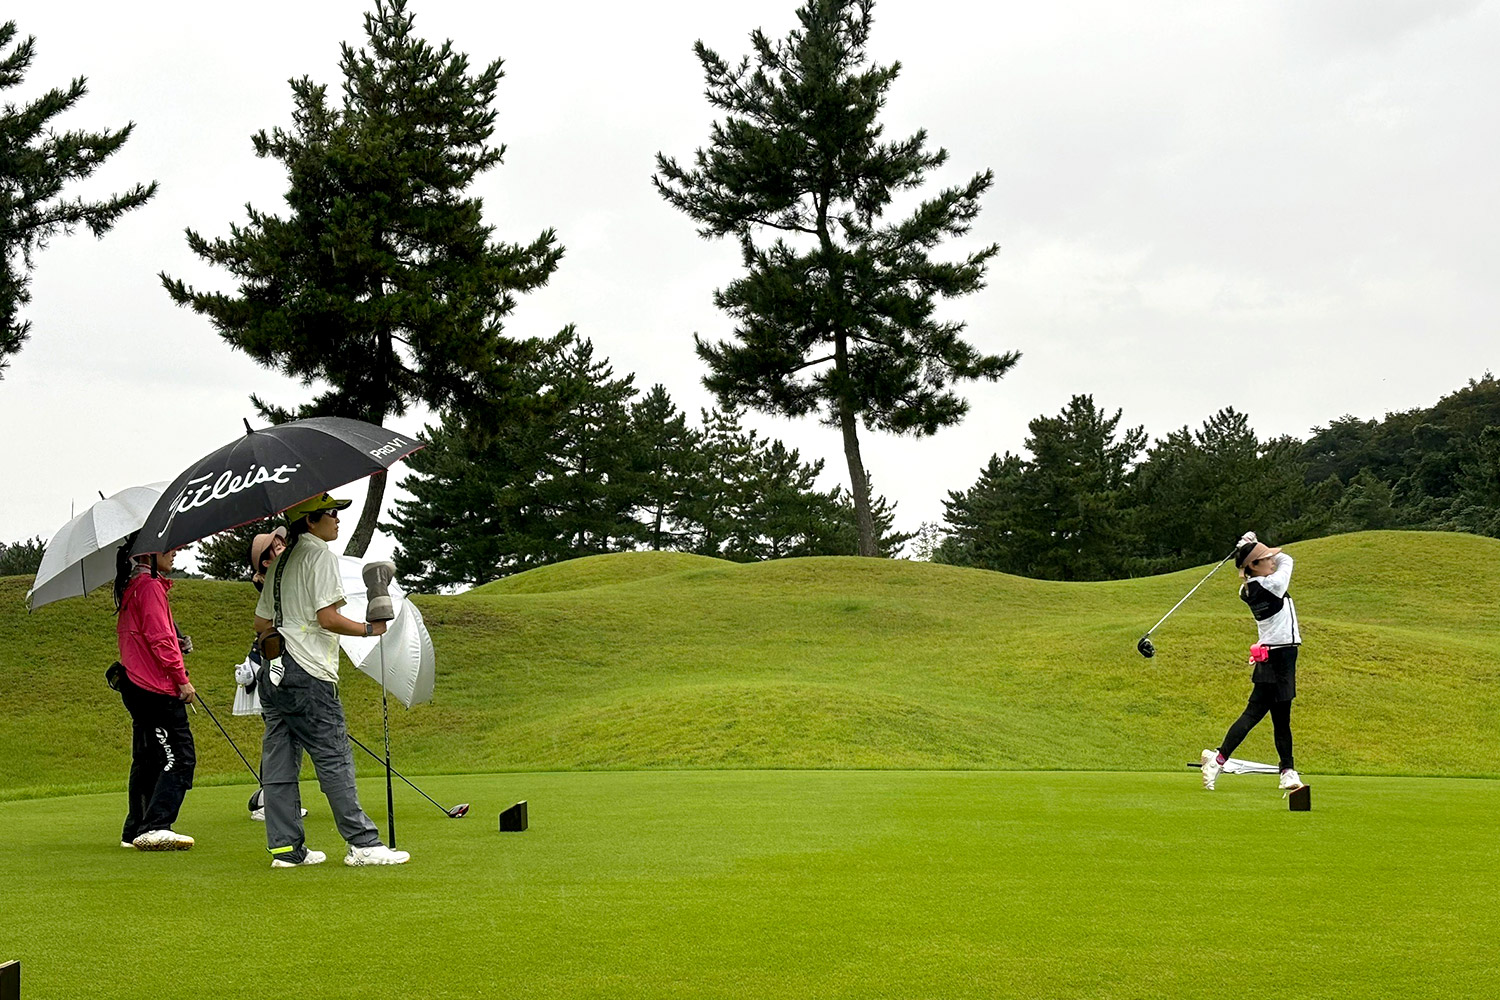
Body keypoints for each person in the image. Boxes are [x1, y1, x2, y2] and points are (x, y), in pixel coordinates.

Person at [252, 493, 409, 868]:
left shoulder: (281, 561)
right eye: (331, 514)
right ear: (310, 521)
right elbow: (328, 618)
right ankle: (363, 843)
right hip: (308, 671)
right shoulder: (318, 555)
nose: (337, 520)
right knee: (333, 755)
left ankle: (286, 851)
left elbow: (261, 624)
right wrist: (369, 629)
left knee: (278, 763)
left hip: (273, 670)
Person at [1201, 531, 1303, 792]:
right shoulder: (1270, 585)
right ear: (1254, 567)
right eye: (1265, 558)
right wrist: (1252, 545)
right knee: (1258, 714)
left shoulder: (1247, 589)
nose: (1272, 560)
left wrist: (1250, 548)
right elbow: (1287, 560)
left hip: (1277, 656)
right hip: (1278, 657)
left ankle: (1287, 771)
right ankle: (1219, 759)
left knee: (1279, 718)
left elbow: (1272, 562)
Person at [112, 539, 197, 850]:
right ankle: (156, 824)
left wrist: (178, 640)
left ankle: (134, 830)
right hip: (155, 688)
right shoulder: (148, 586)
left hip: (136, 684)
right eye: (169, 547)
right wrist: (182, 679)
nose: (174, 552)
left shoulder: (135, 585)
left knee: (148, 758)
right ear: (149, 552)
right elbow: (160, 640)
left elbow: (157, 635)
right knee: (181, 757)